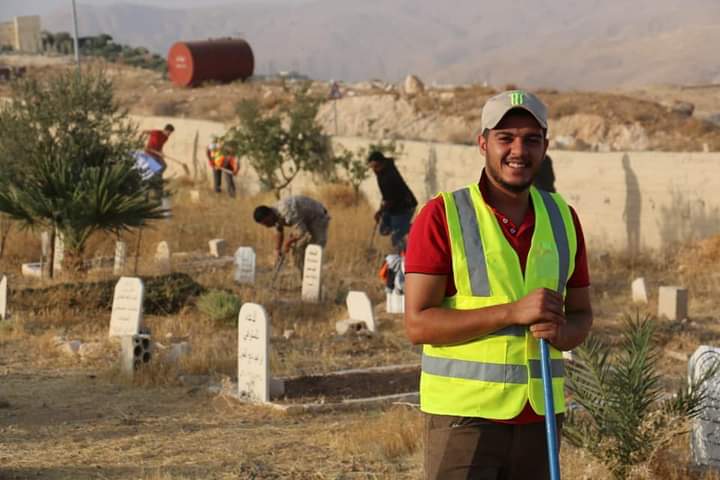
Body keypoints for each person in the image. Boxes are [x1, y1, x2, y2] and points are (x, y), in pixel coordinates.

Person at [403, 90, 593, 480]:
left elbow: (581, 314)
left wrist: (564, 333)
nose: (518, 151)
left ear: (545, 147)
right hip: (464, 419)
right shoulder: (442, 215)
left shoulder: (563, 218)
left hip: (540, 418)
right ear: (483, 143)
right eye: (506, 138)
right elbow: (418, 324)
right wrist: (511, 312)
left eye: (531, 139)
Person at [253, 195, 330, 274]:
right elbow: (279, 231)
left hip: (317, 217)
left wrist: (288, 242)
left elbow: (301, 231)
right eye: (264, 224)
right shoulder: (273, 215)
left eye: (267, 222)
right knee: (297, 251)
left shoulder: (286, 210)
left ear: (270, 215)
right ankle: (304, 279)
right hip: (304, 221)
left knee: (314, 250)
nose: (266, 226)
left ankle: (315, 279)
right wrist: (277, 250)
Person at [367, 150, 417, 252]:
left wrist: (380, 212)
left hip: (404, 207)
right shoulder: (381, 172)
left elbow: (390, 199)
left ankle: (404, 255)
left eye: (376, 166)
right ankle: (409, 228)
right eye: (372, 167)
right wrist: (381, 210)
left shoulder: (390, 176)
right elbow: (386, 196)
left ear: (382, 163)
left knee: (396, 237)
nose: (374, 169)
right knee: (384, 230)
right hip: (393, 206)